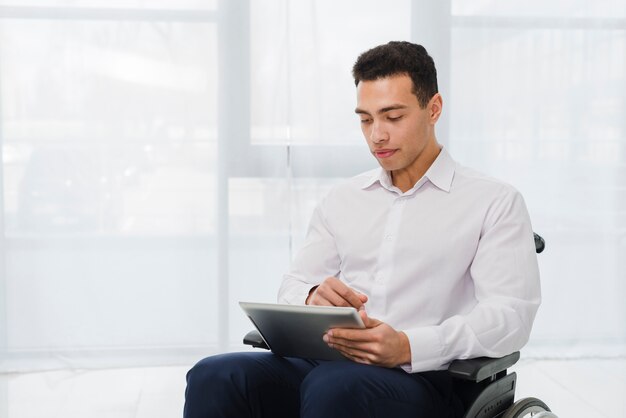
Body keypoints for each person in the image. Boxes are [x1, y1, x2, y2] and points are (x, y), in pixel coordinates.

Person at [184, 41, 541, 418]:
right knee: (214, 375)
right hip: (327, 366)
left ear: (433, 108)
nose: (377, 135)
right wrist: (311, 297)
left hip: (425, 377)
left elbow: (510, 317)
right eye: (366, 119)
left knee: (335, 389)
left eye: (392, 116)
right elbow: (293, 284)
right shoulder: (342, 199)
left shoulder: (494, 201)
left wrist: (407, 345)